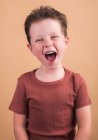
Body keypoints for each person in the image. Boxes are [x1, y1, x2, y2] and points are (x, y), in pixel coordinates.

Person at [9, 6, 92, 140]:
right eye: (39, 39)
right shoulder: (24, 82)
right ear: (30, 48)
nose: (48, 43)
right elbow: (19, 127)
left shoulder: (77, 82)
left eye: (54, 36)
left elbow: (85, 128)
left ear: (66, 41)